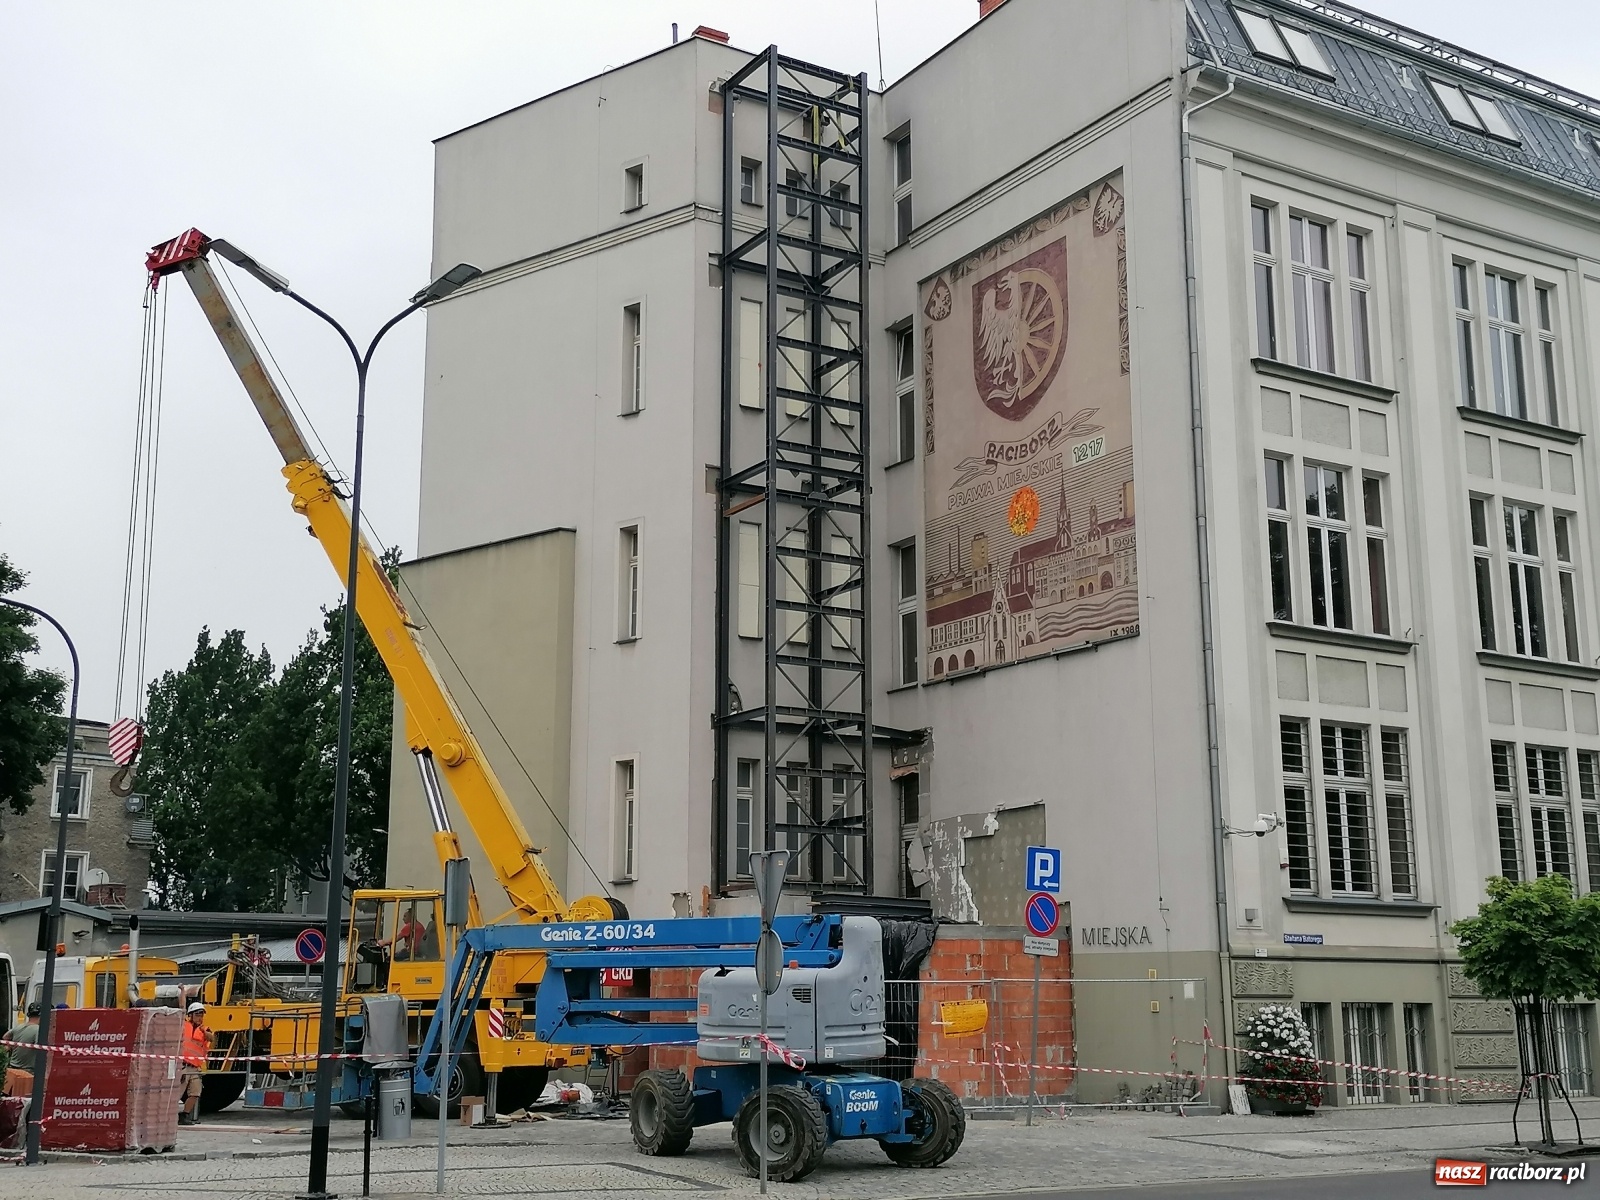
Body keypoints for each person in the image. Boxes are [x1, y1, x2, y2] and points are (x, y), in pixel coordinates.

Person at [179, 1001, 212, 1126]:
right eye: (198, 1015)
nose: (200, 1017)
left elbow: (211, 1038)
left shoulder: (205, 1029)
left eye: (202, 1015)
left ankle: (185, 1115)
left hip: (195, 1068)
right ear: (191, 1015)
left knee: (195, 1093)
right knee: (177, 1093)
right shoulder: (184, 1026)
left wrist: (204, 1031)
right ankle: (168, 1116)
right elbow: (181, 1007)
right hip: (182, 1066)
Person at [5, 1002, 42, 1074]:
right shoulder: (38, 1030)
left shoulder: (19, 1026)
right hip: (27, 1070)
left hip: (12, 1067)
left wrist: (11, 1046)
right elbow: (40, 1050)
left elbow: (5, 1037)